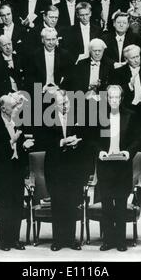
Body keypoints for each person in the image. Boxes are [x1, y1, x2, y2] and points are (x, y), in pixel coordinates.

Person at [96, 85, 140, 251]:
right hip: (105, 165)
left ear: (121, 99)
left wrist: (128, 153)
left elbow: (137, 139)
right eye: (110, 97)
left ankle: (121, 241)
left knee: (121, 203)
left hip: (123, 166)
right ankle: (108, 240)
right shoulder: (99, 116)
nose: (113, 100)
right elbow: (93, 140)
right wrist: (99, 152)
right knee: (106, 203)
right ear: (106, 98)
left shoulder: (131, 115)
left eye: (117, 97)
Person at [0, 94, 34, 251]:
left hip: (16, 170)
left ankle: (15, 239)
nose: (16, 109)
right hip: (2, 172)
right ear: (3, 108)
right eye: (13, 107)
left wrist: (24, 146)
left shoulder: (17, 124)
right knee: (5, 205)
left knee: (17, 204)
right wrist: (12, 141)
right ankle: (5, 240)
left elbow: (20, 149)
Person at [43, 89, 87, 251]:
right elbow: (43, 141)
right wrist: (62, 142)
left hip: (74, 167)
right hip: (55, 167)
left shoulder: (77, 117)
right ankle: (58, 240)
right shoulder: (46, 119)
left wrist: (77, 142)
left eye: (66, 103)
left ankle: (70, 239)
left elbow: (86, 138)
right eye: (61, 104)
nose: (65, 106)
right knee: (58, 203)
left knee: (72, 203)